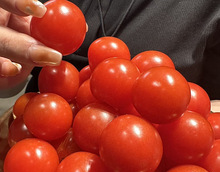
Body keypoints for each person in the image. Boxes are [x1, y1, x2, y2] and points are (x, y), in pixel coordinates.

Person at [0, 0, 220, 114]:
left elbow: (210, 108)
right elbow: (10, 75)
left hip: (149, 160)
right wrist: (9, 73)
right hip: (37, 123)